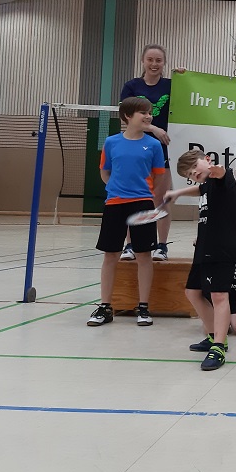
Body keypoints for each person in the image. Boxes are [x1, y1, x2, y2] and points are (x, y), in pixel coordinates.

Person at [87, 97, 164, 328]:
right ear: (128, 116)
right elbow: (105, 172)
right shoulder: (111, 142)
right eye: (143, 113)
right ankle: (105, 306)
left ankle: (143, 307)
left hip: (142, 204)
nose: (148, 116)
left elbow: (158, 176)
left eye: (150, 112)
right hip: (115, 204)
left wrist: (144, 192)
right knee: (110, 255)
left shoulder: (153, 145)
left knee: (143, 255)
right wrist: (116, 190)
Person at [167, 149, 236, 371]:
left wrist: (214, 169)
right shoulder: (206, 185)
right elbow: (200, 189)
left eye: (194, 168)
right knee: (192, 292)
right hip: (204, 248)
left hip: (221, 249)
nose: (193, 174)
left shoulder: (220, 179)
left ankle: (219, 345)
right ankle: (212, 335)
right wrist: (177, 193)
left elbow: (218, 173)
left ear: (207, 159)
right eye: (189, 173)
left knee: (219, 296)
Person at [119, 44, 184, 262]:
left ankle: (162, 246)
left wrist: (186, 77)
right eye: (150, 60)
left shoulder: (171, 86)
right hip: (135, 147)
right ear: (143, 61)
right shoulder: (131, 86)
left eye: (158, 60)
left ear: (164, 63)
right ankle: (129, 245)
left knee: (161, 199)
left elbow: (192, 96)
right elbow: (125, 116)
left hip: (162, 149)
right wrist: (153, 128)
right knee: (133, 197)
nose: (154, 64)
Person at [189, 207, 236, 348]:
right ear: (235, 223)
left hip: (235, 302)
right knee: (211, 329)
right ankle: (220, 320)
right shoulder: (221, 244)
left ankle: (226, 320)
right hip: (217, 299)